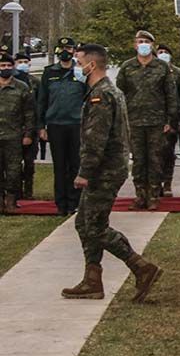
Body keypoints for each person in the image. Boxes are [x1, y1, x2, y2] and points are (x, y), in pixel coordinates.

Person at [61, 44, 162, 302]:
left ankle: (141, 267)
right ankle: (92, 280)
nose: (75, 66)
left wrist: (85, 171)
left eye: (78, 61)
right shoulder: (106, 90)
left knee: (93, 226)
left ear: (91, 65)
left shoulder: (101, 95)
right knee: (84, 222)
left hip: (104, 170)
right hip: (107, 168)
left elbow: (97, 138)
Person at [115, 30, 177, 210]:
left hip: (157, 122)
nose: (143, 44)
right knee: (139, 160)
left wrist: (169, 120)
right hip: (134, 121)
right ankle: (140, 195)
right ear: (134, 45)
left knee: (155, 160)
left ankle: (153, 196)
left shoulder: (162, 67)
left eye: (146, 42)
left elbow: (170, 95)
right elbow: (120, 95)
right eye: (139, 41)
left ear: (152, 45)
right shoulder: (127, 67)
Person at [40, 37, 86, 215]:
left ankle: (75, 202)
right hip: (55, 124)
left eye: (68, 47)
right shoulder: (49, 72)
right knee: (59, 166)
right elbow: (42, 101)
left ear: (74, 51)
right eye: (62, 47)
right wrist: (41, 126)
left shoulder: (81, 72)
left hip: (76, 124)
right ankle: (61, 204)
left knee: (75, 165)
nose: (65, 51)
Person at [0, 53, 34, 213]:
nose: (5, 69)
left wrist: (28, 134)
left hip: (14, 136)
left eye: (8, 66)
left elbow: (29, 113)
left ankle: (11, 201)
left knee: (14, 170)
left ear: (13, 67)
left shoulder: (21, 87)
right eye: (2, 66)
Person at [156, 44, 180, 197]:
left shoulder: (178, 74)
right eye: (160, 52)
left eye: (165, 52)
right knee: (153, 155)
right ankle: (155, 184)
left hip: (172, 119)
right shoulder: (152, 71)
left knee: (168, 153)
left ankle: (167, 183)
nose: (162, 54)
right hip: (153, 119)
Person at [13, 50, 39, 200]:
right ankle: (15, 192)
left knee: (29, 163)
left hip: (30, 127)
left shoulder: (34, 82)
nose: (22, 65)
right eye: (19, 62)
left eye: (25, 62)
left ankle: (28, 192)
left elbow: (38, 104)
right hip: (12, 129)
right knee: (13, 164)